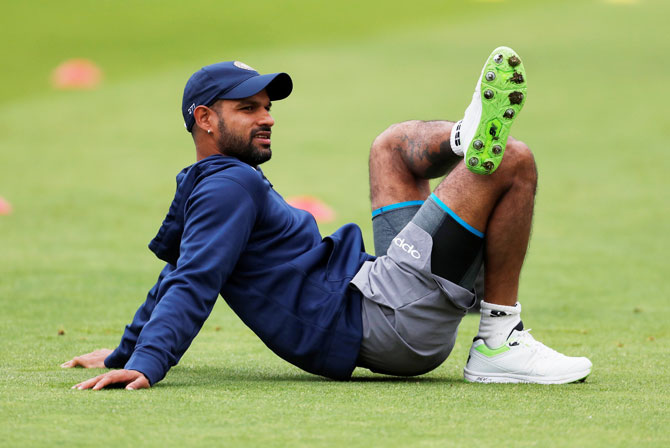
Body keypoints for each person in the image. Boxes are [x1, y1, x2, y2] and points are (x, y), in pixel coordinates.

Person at [62, 48, 592, 390]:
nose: (268, 117)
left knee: (390, 147)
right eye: (248, 108)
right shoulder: (229, 186)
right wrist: (145, 362)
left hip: (375, 290)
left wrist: (121, 352)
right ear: (204, 119)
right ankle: (499, 340)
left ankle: (463, 139)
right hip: (389, 319)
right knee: (512, 159)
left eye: (268, 107)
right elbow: (192, 277)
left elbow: (177, 271)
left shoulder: (208, 183)